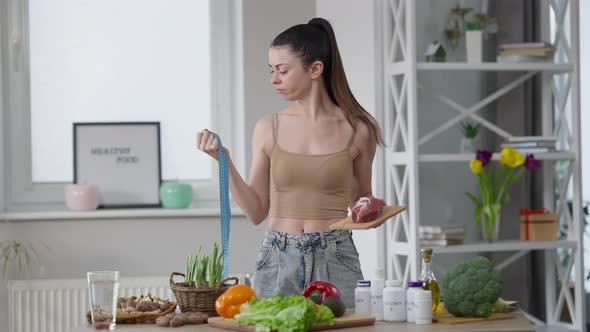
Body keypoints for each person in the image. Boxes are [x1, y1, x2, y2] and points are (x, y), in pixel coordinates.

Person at [196, 17, 384, 308]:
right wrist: (224, 162)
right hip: (278, 255)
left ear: (315, 69)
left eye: (282, 70)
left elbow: (360, 202)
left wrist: (371, 208)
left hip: (335, 254)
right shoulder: (267, 128)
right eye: (271, 70)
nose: (274, 79)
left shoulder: (359, 130)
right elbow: (256, 211)